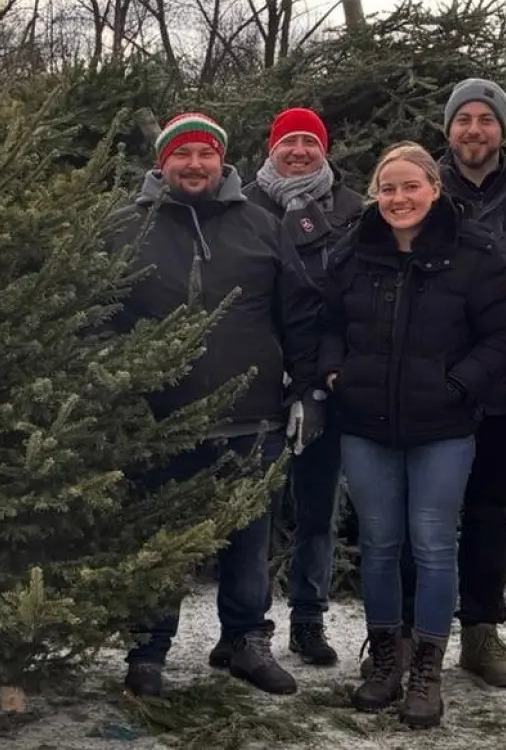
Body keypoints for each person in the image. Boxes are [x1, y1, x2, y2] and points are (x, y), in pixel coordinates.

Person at [116, 112, 323, 698]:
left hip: (251, 418)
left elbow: (299, 313)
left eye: (205, 153)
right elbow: (98, 316)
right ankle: (148, 649)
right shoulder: (124, 228)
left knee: (250, 540)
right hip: (158, 422)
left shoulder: (261, 225)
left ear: (222, 160)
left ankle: (244, 641)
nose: (194, 164)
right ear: (162, 162)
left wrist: (307, 390)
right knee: (158, 541)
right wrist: (119, 387)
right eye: (181, 154)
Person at [324, 143, 506, 728]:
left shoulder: (472, 252)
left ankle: (427, 671)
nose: (399, 198)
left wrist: (460, 383)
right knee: (380, 544)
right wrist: (336, 372)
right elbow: (328, 322)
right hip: (366, 425)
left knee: (434, 544)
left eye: (411, 186)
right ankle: (388, 658)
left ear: (435, 190)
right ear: (375, 194)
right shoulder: (353, 250)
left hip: (442, 427)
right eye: (388, 188)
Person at [429, 78, 506, 688]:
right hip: (432, 385)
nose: (473, 130)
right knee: (423, 515)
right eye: (463, 119)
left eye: (485, 119)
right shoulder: (423, 191)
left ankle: (480, 633)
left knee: (489, 513)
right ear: (448, 128)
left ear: (503, 128)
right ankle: (409, 636)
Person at [242, 106, 362, 667]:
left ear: (324, 150)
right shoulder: (244, 207)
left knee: (318, 508)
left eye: (309, 142)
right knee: (255, 512)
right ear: (271, 150)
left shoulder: (352, 209)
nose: (298, 151)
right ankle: (247, 624)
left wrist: (320, 380)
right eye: (287, 142)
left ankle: (309, 619)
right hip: (259, 381)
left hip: (326, 381)